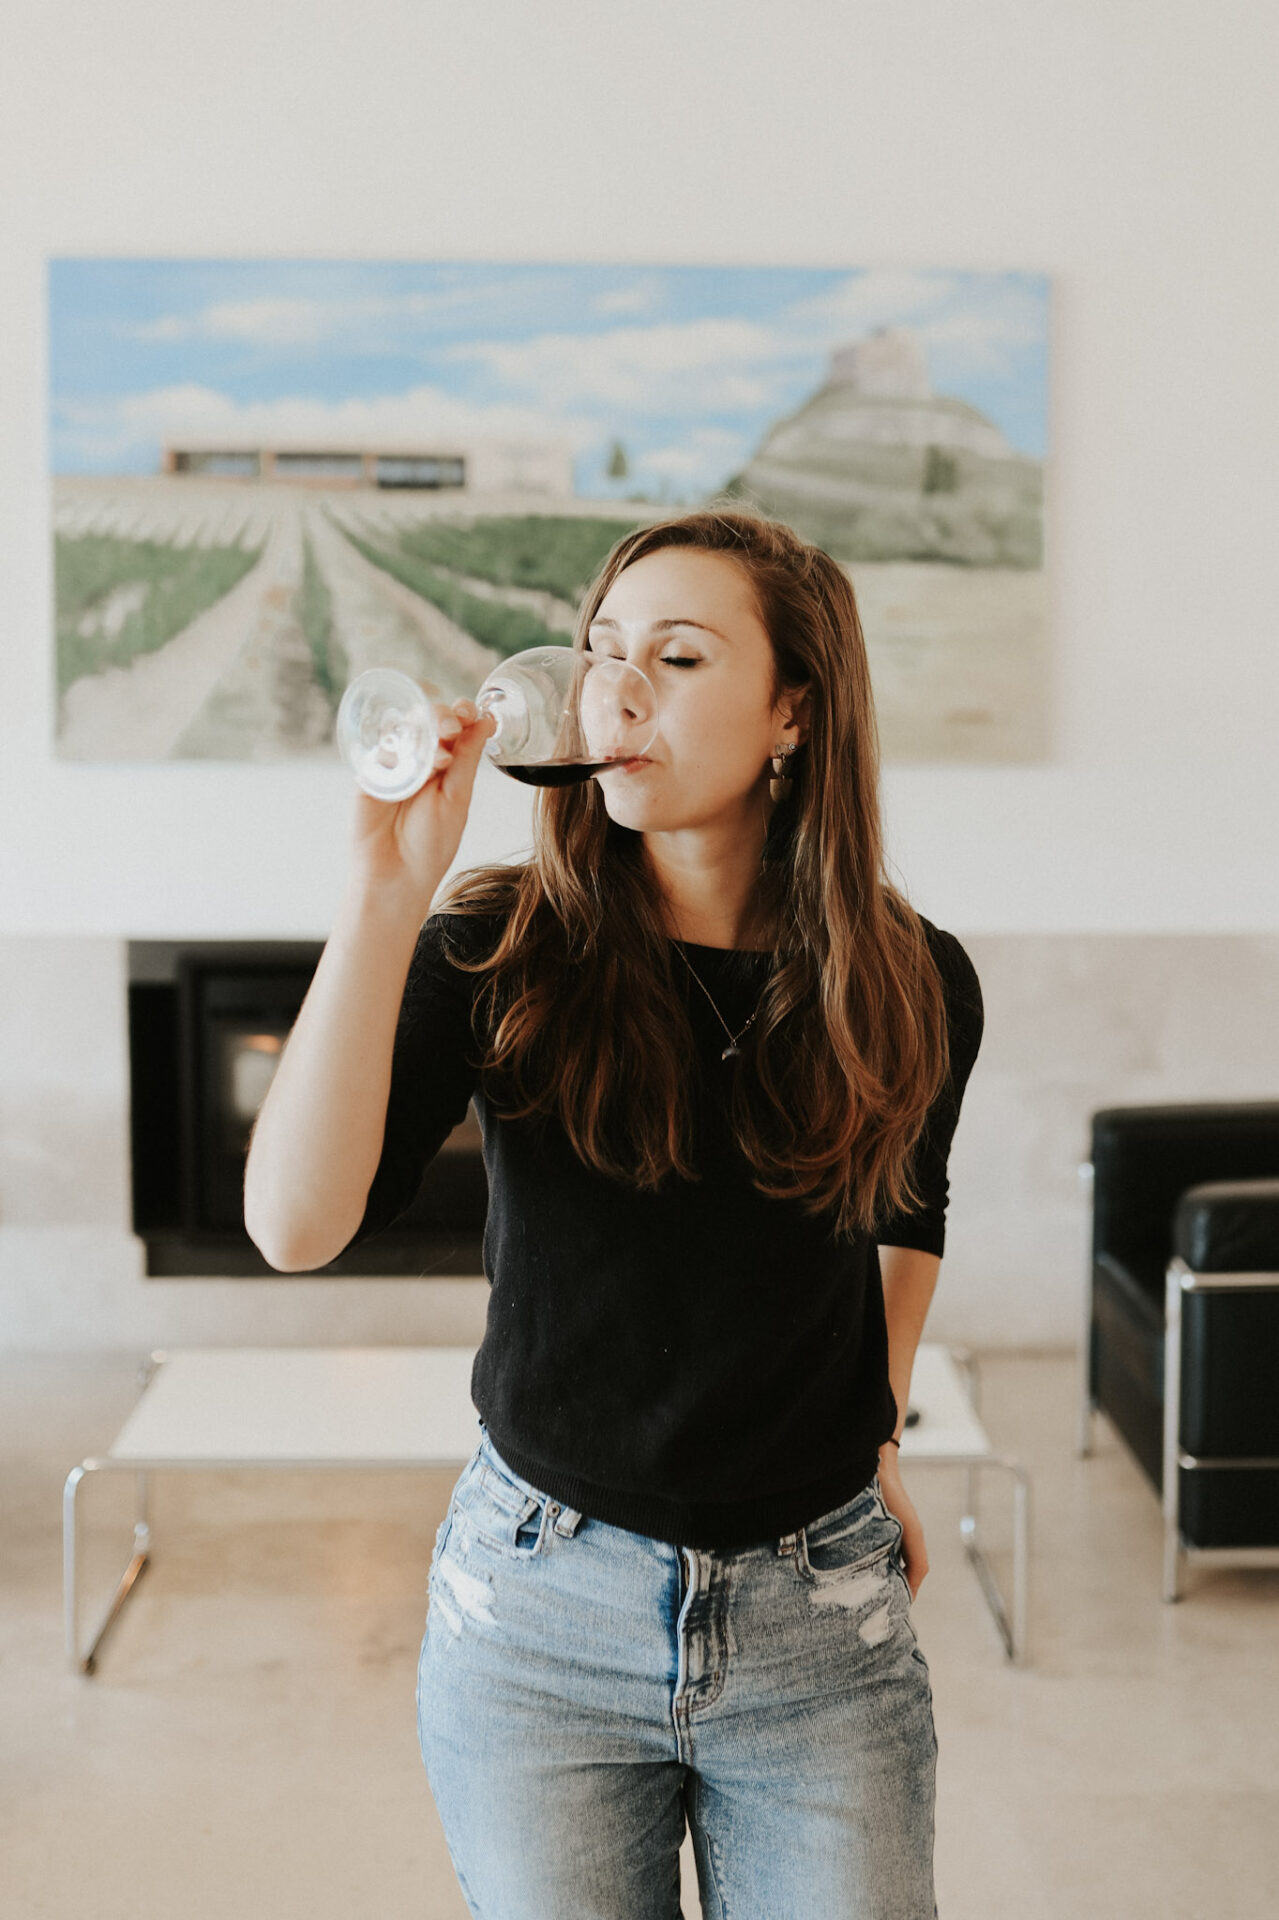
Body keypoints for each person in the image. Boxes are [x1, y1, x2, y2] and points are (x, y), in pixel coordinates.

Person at [244, 507, 984, 1920]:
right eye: (602, 652)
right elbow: (294, 1224)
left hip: (821, 1621)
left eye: (682, 657)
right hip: (537, 1617)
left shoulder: (909, 978)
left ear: (793, 714)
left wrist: (870, 1428)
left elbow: (908, 1213)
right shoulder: (496, 949)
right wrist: (379, 896)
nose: (618, 687)